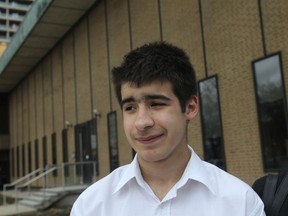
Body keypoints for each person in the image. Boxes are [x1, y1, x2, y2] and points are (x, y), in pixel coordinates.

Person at [70, 41, 265, 216]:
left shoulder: (241, 203)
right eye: (130, 108)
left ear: (190, 107)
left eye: (156, 104)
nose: (141, 122)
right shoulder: (91, 206)